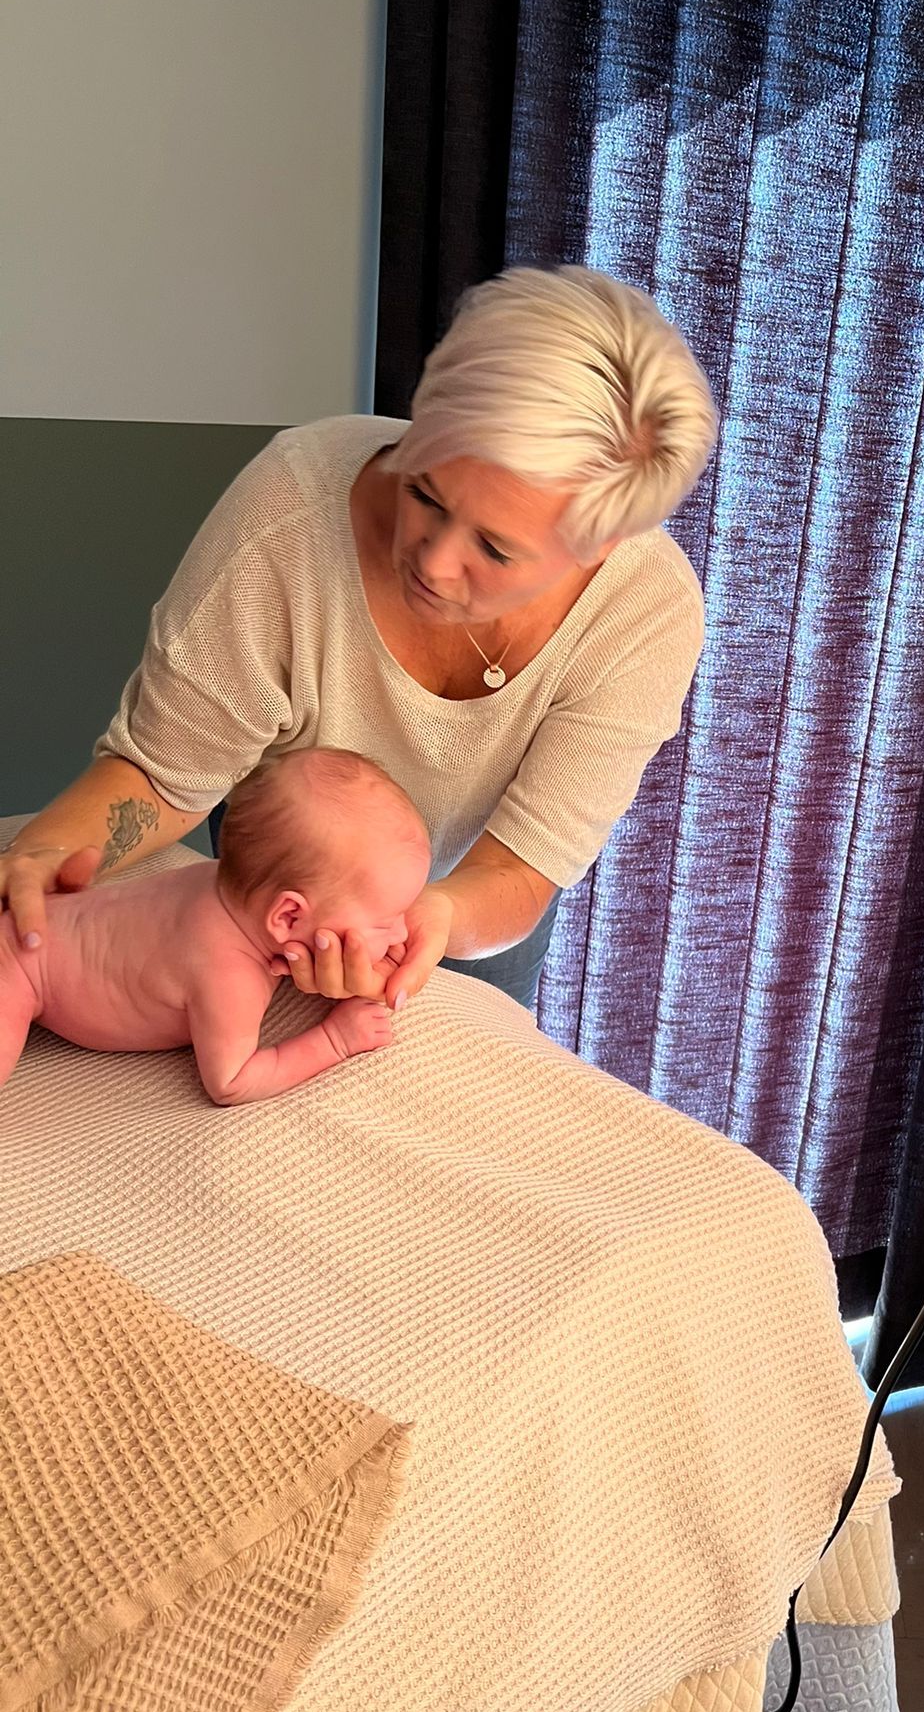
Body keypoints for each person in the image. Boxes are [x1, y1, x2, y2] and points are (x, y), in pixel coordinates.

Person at [0, 266, 717, 1014]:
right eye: (425, 493)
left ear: (601, 547)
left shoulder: (644, 614)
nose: (433, 562)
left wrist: (424, 919)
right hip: (280, 885)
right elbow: (163, 776)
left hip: (473, 899)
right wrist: (44, 855)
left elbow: (521, 869)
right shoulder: (289, 511)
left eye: (496, 550)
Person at [0, 749, 426, 1106]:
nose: (401, 934)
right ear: (289, 917)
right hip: (19, 964)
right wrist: (335, 1040)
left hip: (48, 918)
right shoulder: (228, 974)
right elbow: (231, 1081)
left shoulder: (223, 880)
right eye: (385, 921)